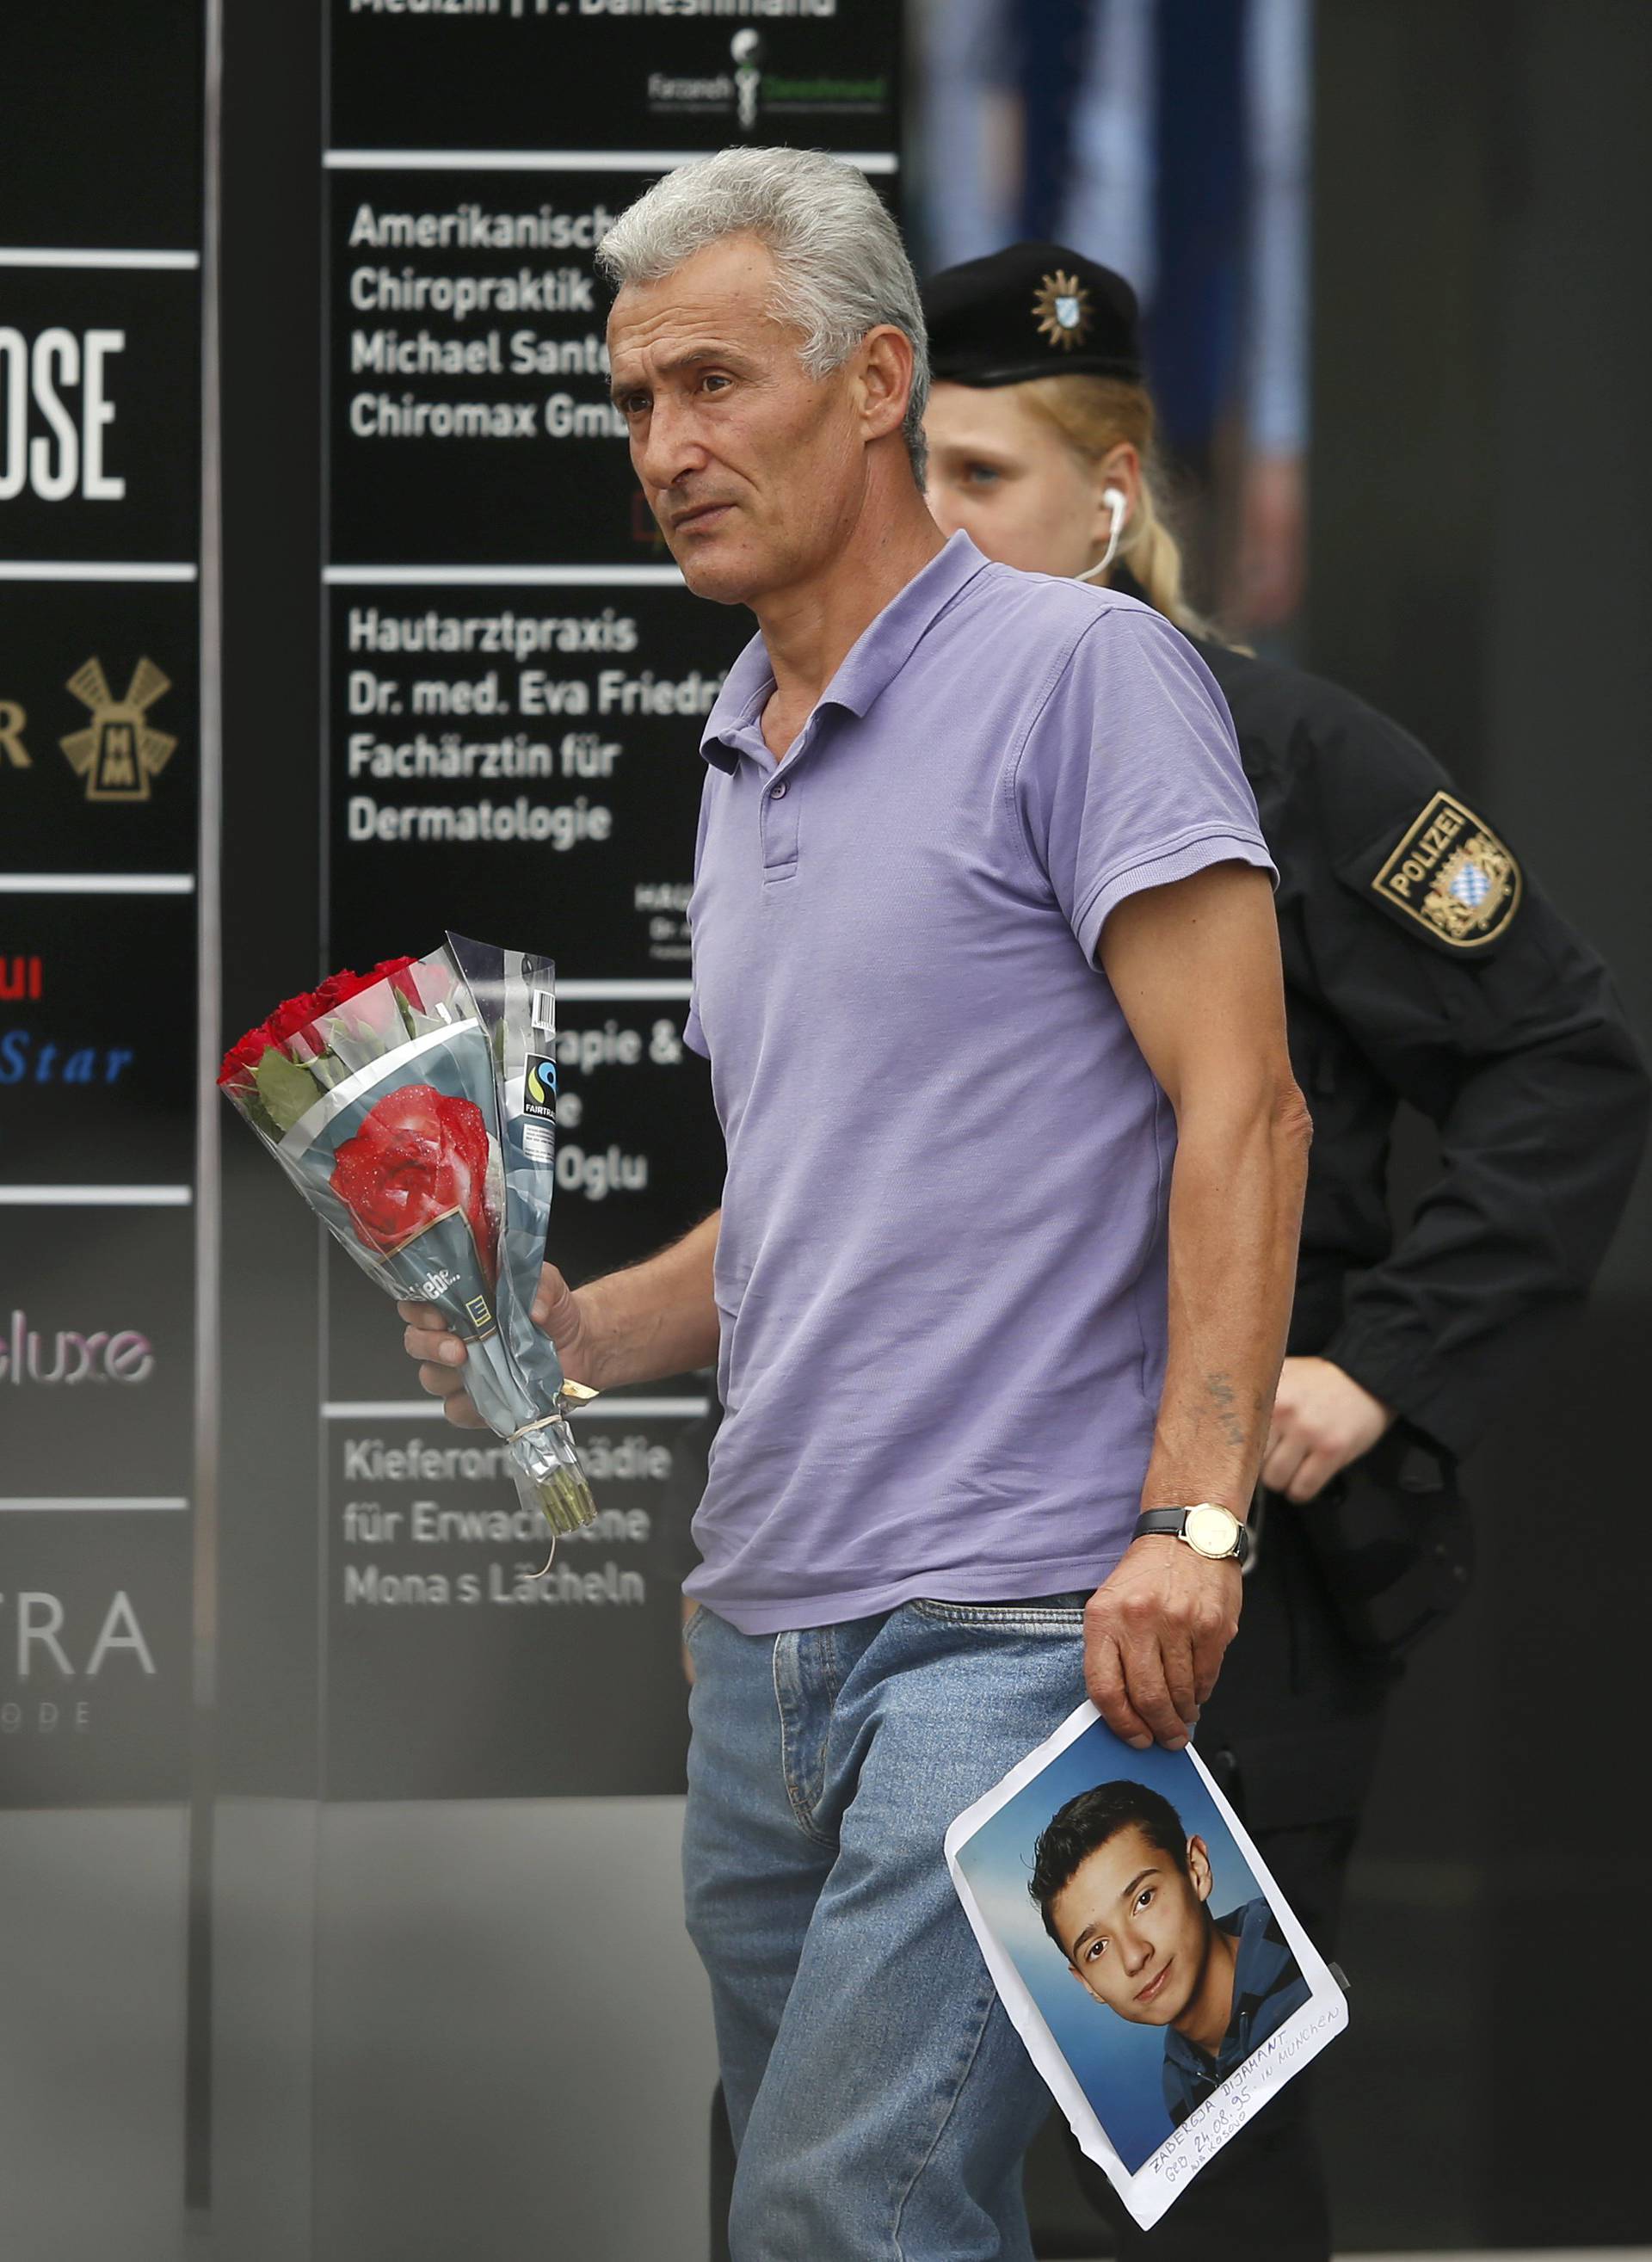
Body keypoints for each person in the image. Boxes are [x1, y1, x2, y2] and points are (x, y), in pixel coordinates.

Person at [399, 148, 1311, 2262]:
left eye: (714, 383)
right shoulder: (742, 740)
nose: (667, 447)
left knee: (840, 2217)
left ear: (879, 378)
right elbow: (829, 1189)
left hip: (1014, 1629)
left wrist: (1190, 1517)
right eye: (634, 403)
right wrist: (577, 1332)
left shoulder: (1080, 673)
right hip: (760, 1642)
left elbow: (1243, 1107)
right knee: (836, 2218)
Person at [917, 238, 1651, 2257]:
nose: (939, 525)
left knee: (1162, 2132)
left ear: (1112, 485)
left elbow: (1564, 1061)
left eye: (983, 476)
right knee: (898, 2110)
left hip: (1221, 1584)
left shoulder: (1287, 758)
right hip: (962, 1551)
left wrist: (1386, 1359)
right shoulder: (902, 771)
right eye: (917, 478)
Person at [1030, 1779, 1310, 2126]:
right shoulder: (1180, 2082)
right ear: (1086, 1983)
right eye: (1097, 1948)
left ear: (1196, 1870)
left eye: (1143, 1900)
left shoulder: (1308, 1968)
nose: (1134, 1957)